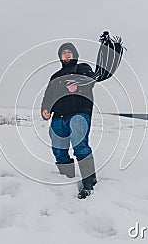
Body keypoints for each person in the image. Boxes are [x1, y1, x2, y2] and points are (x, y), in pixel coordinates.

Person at [41, 42, 97, 199]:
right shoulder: (55, 76)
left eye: (69, 52)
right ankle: (67, 178)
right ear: (60, 56)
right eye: (63, 52)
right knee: (59, 150)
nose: (66, 54)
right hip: (58, 116)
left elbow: (91, 79)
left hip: (79, 113)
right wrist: (45, 109)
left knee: (80, 146)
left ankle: (89, 182)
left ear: (75, 55)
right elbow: (48, 96)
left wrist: (77, 87)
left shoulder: (82, 68)